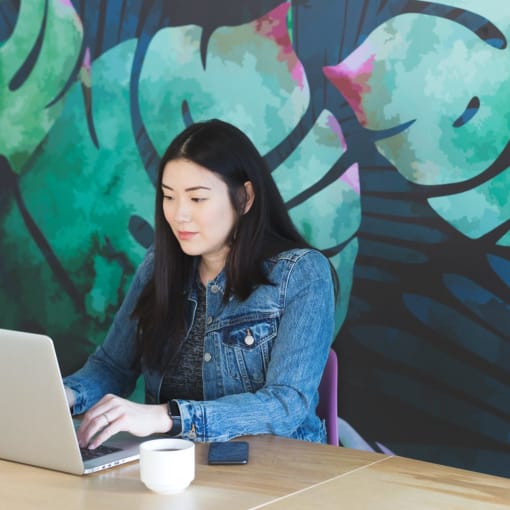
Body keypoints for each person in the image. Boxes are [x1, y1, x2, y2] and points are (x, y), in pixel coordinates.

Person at [64, 119, 337, 449]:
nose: (179, 215)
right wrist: (65, 394)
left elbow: (286, 405)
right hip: (176, 468)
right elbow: (112, 367)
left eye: (197, 199)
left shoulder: (302, 274)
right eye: (169, 197)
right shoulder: (159, 266)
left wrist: (169, 416)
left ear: (245, 198)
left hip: (280, 472)